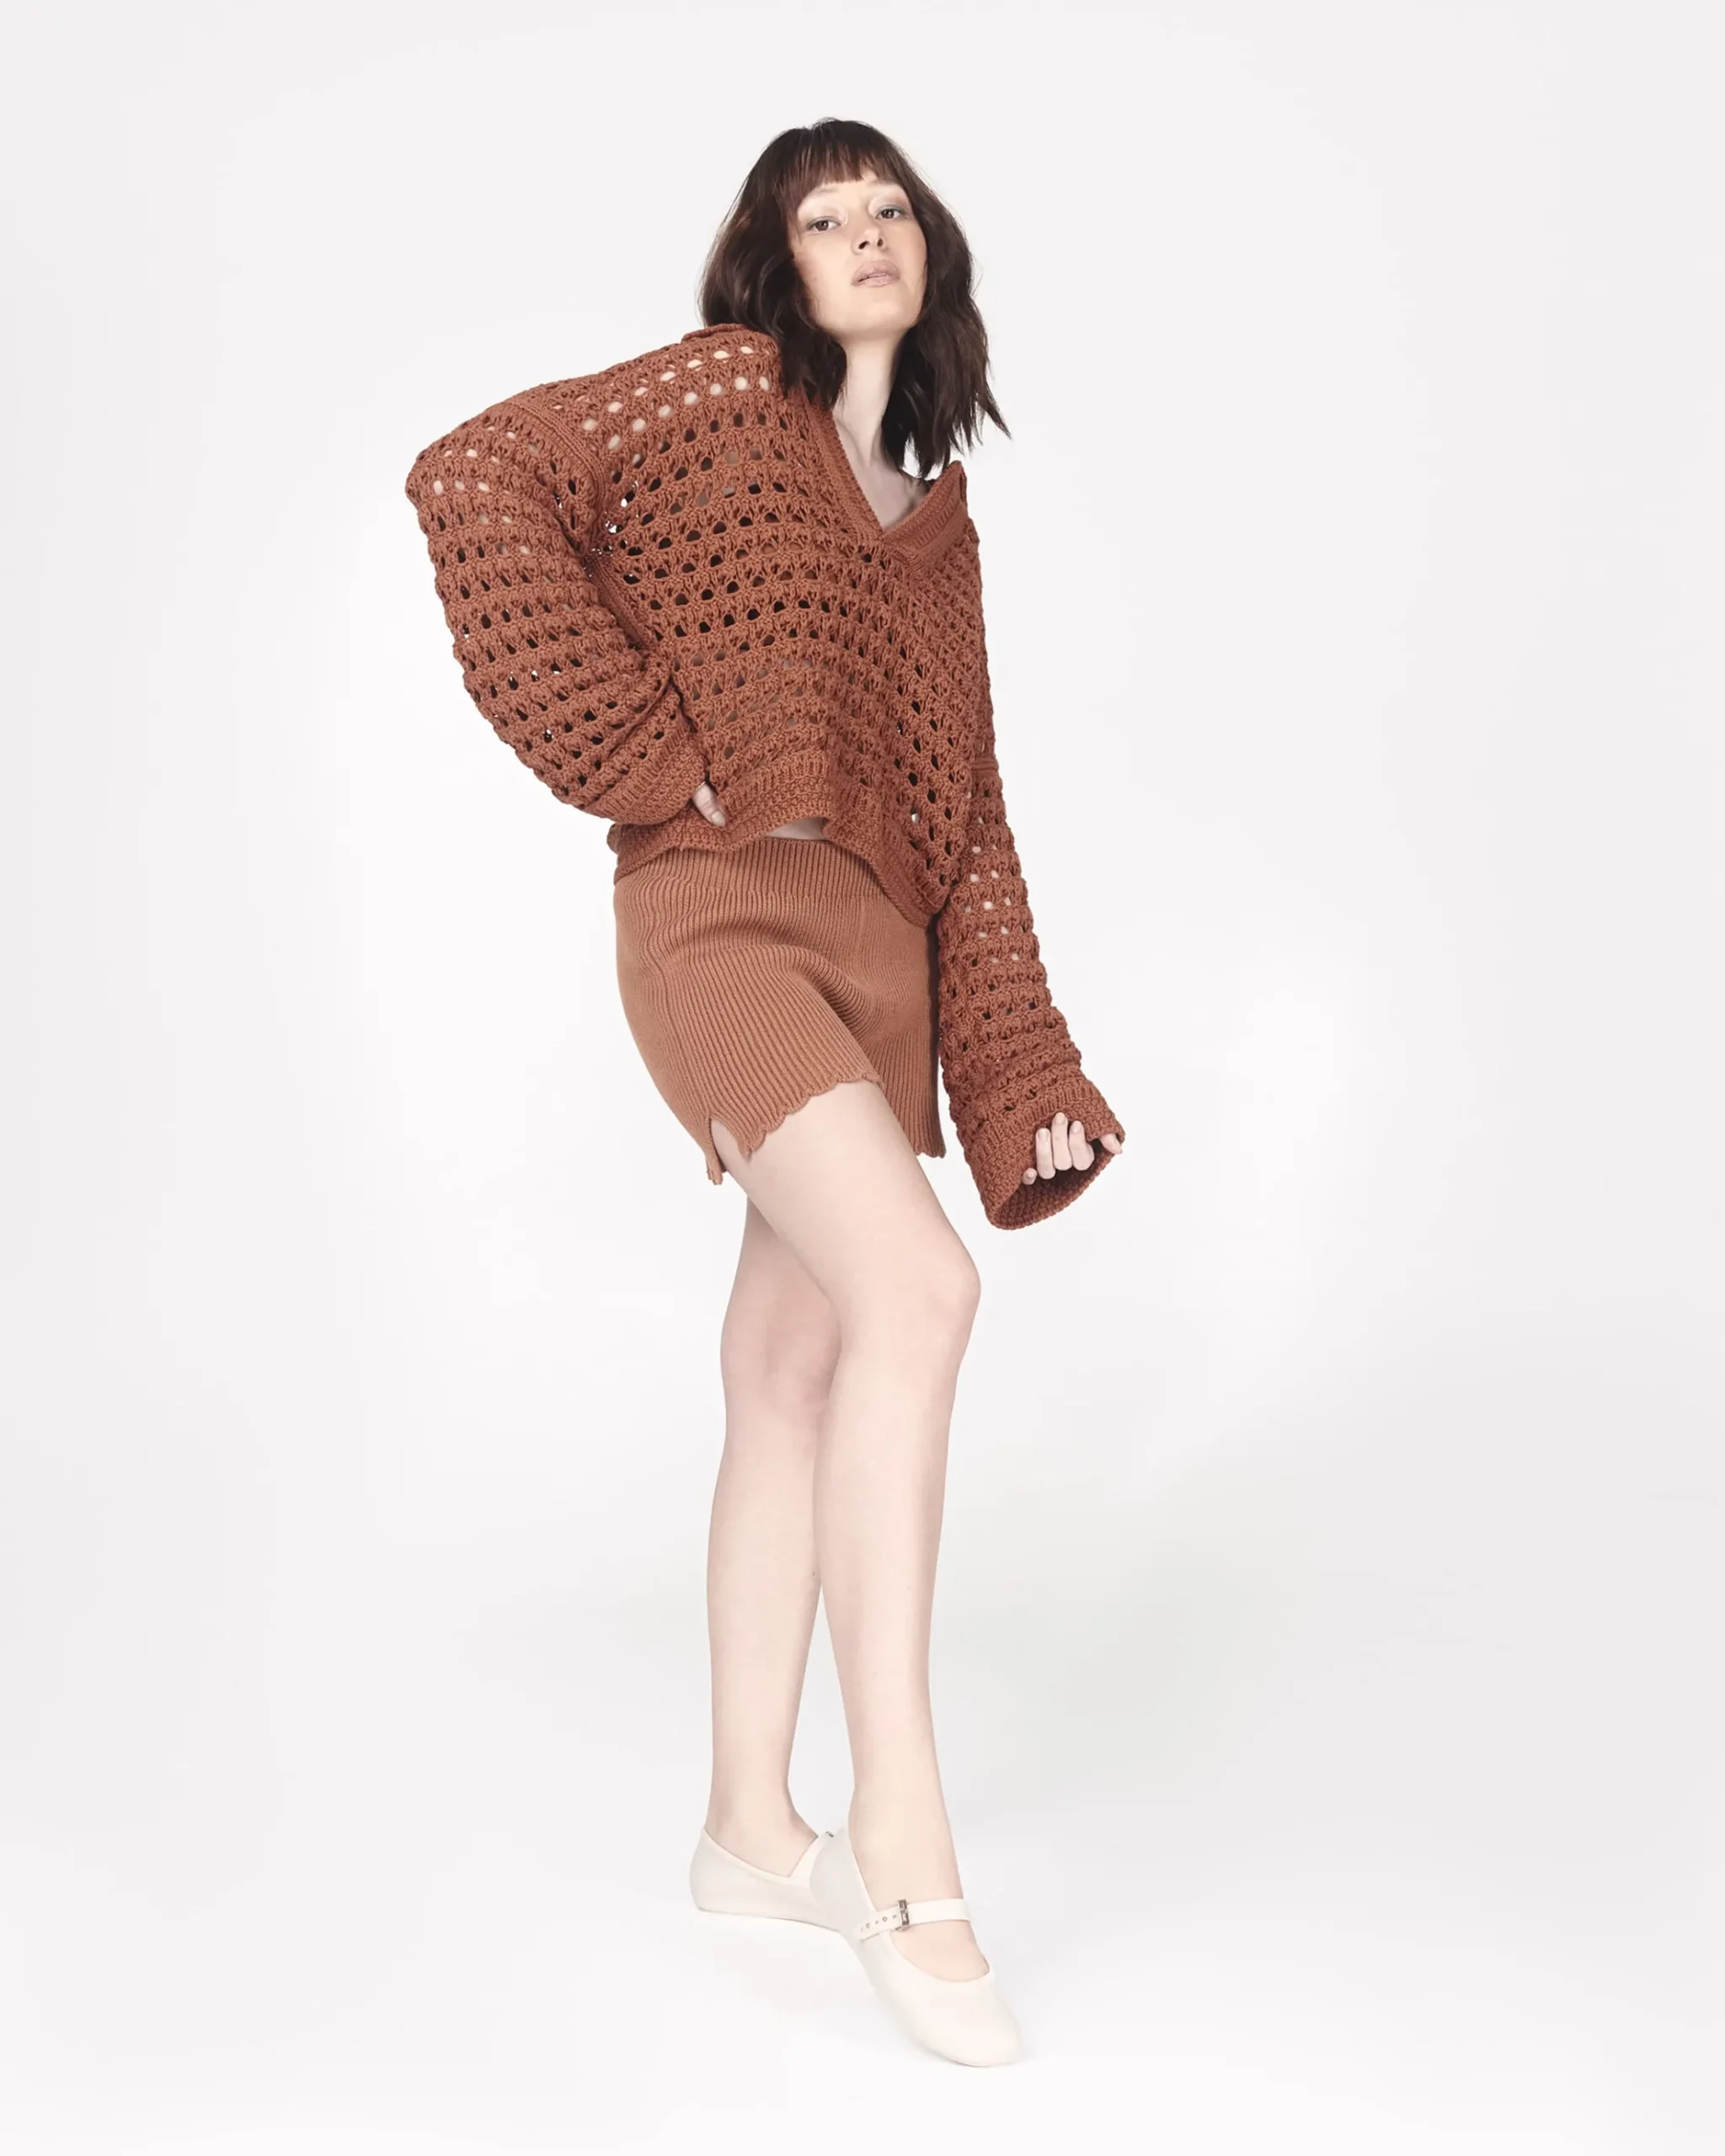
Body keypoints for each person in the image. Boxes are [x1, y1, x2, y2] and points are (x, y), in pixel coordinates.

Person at [403, 117, 1126, 2068]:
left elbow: (971, 822)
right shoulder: (722, 400)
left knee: (794, 1363)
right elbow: (476, 475)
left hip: (879, 966)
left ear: (930, 251)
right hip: (721, 922)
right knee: (923, 1290)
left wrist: (1025, 1069)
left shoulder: (941, 523)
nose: (866, 233)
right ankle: (899, 1831)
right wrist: (649, 755)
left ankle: (746, 1826)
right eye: (826, 215)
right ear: (771, 262)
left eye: (890, 209)